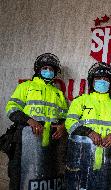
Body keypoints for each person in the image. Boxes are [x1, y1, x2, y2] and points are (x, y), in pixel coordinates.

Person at [65, 62, 111, 190]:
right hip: (81, 158)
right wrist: (89, 132)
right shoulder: (81, 100)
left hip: (106, 160)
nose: (102, 81)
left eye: (106, 79)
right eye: (98, 79)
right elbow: (70, 123)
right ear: (92, 81)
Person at [5, 53, 68, 190]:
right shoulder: (26, 86)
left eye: (52, 69)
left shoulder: (58, 94)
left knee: (47, 178)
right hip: (25, 139)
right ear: (38, 69)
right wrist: (29, 120)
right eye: (45, 68)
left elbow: (65, 116)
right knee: (21, 177)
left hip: (51, 143)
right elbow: (11, 109)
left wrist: (63, 126)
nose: (48, 71)